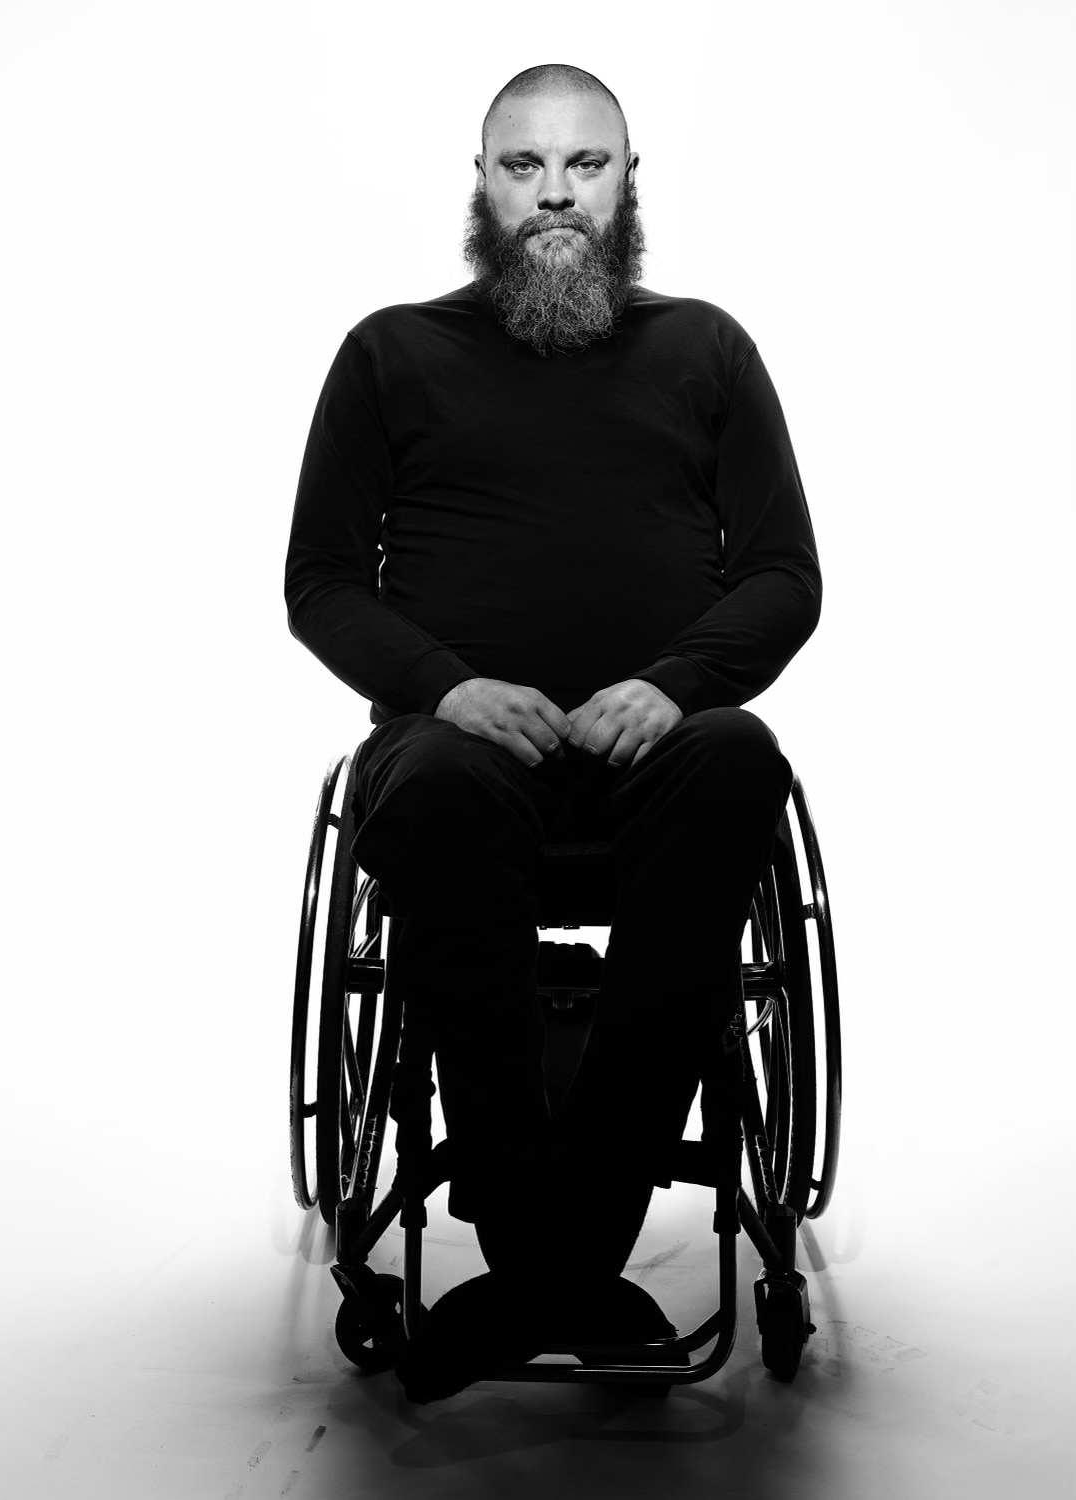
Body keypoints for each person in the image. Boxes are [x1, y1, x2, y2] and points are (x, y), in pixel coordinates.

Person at [284, 63, 821, 1401]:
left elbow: (777, 574)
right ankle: (562, 1258)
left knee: (736, 759)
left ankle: (537, 1266)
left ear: (628, 183)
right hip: (456, 752)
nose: (554, 194)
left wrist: (677, 681)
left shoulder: (704, 348)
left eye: (584, 164)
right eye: (523, 167)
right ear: (482, 185)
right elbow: (323, 582)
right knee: (440, 792)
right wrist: (447, 686)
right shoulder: (391, 353)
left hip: (658, 752)